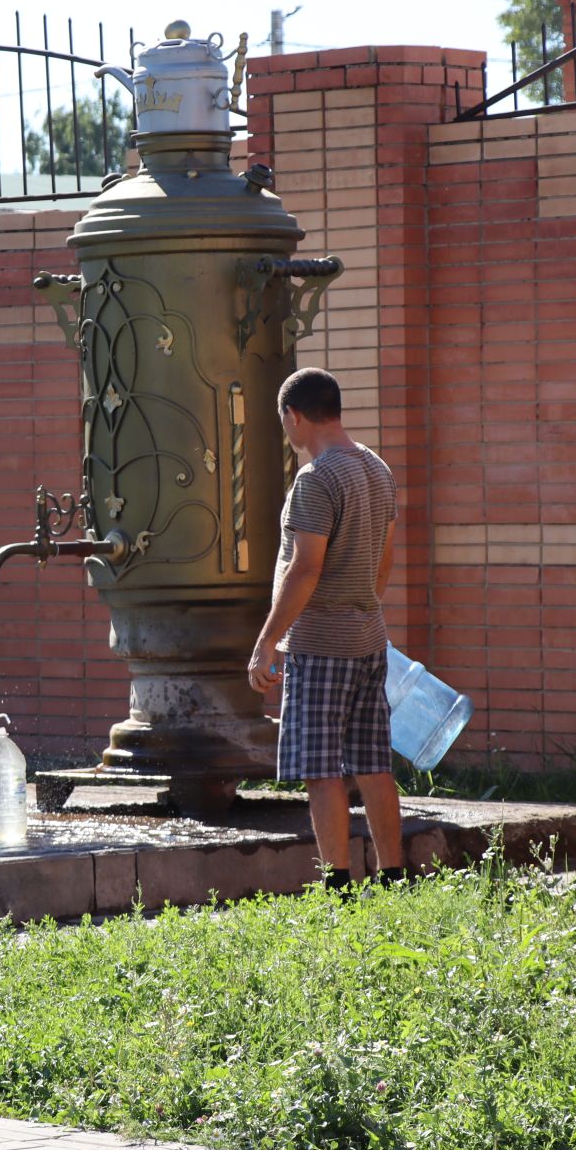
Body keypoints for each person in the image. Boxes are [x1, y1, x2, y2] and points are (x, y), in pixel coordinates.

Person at [247, 368, 405, 888]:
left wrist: (267, 640)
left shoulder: (315, 480)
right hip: (368, 637)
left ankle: (338, 886)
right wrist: (362, 607)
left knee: (320, 767)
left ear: (294, 416)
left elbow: (305, 568)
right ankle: (394, 876)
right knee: (372, 762)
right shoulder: (377, 469)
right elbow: (383, 561)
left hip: (319, 644)